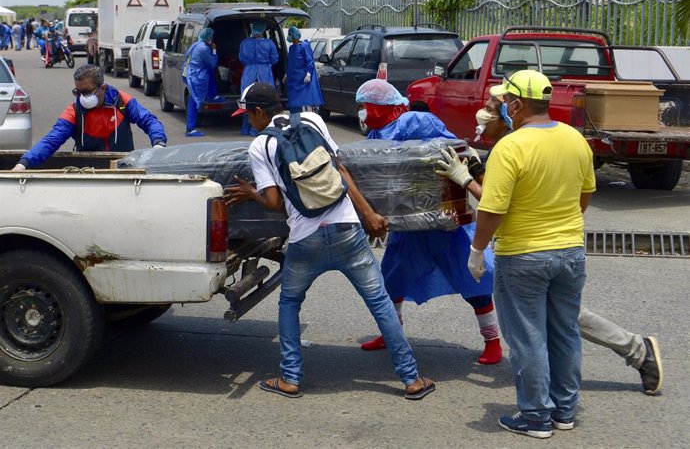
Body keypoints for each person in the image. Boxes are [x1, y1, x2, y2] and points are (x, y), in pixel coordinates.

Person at [440, 95, 663, 396]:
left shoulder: (514, 146)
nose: (482, 116)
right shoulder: (537, 138)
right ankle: (629, 354)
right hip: (561, 246)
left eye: (491, 110)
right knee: (564, 318)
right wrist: (476, 173)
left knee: (546, 326)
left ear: (511, 111)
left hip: (528, 249)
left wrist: (465, 182)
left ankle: (539, 408)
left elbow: (497, 205)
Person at [225, 82, 435, 400]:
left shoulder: (260, 146)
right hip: (347, 231)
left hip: (305, 239)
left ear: (258, 112)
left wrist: (249, 194)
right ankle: (411, 379)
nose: (248, 122)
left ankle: (290, 379)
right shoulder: (313, 120)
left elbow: (273, 202)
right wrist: (368, 215)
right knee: (380, 303)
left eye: (248, 116)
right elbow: (340, 169)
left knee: (290, 304)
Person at [468, 70, 595, 438]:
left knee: (528, 338)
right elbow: (584, 197)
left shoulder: (510, 146)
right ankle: (564, 411)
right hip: (570, 252)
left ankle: (536, 415)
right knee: (565, 333)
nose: (501, 107)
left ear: (518, 104)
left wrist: (477, 251)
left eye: (504, 101)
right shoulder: (575, 139)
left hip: (523, 255)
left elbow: (493, 209)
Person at [355, 79, 503, 365]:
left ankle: (492, 341)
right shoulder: (375, 134)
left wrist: (465, 168)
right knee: (392, 277)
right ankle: (391, 333)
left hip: (441, 217)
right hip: (406, 221)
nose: (362, 113)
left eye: (365, 106)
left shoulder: (413, 120)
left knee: (472, 279)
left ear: (382, 104)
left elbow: (451, 145)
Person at [11, 65, 166, 171]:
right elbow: (51, 140)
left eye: (87, 91)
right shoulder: (74, 111)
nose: (82, 97)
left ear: (103, 88)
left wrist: (158, 144)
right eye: (77, 92)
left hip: (123, 168)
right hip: (88, 171)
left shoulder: (122, 101)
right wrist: (24, 164)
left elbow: (149, 121)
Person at [238, 21, 278, 136]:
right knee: (264, 99)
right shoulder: (269, 43)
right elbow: (274, 59)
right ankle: (257, 129)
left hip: (249, 72)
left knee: (246, 98)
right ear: (263, 30)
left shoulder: (245, 43)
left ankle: (245, 127)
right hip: (264, 71)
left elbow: (241, 58)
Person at [181, 27, 222, 137]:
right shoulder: (204, 48)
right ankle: (190, 129)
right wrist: (214, 50)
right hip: (197, 76)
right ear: (208, 37)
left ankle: (190, 127)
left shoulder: (195, 45)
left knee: (193, 100)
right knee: (194, 101)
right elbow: (212, 63)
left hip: (191, 73)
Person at [285, 26, 324, 113]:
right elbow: (291, 64)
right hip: (293, 81)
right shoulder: (291, 48)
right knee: (294, 104)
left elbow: (310, 62)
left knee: (304, 102)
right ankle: (295, 121)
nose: (288, 37)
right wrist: (287, 74)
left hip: (302, 81)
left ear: (294, 36)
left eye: (290, 34)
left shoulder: (304, 46)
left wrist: (308, 74)